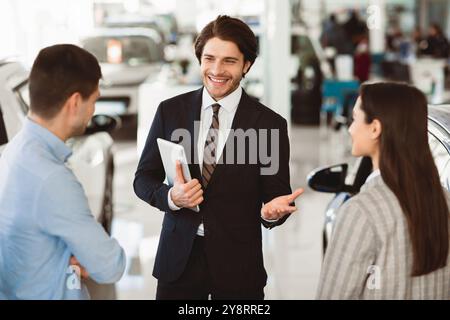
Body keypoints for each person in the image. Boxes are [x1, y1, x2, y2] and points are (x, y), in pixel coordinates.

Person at [134, 15, 303, 300]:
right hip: (178, 263)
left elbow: (276, 196)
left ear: (246, 65)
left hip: (239, 267)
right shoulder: (170, 111)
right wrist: (172, 197)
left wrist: (270, 215)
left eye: (229, 61)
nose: (217, 70)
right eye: (209, 58)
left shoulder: (269, 125)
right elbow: (143, 178)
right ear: (199, 59)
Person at [0, 44, 126, 300]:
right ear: (75, 102)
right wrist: (84, 256)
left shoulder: (14, 152)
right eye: (94, 100)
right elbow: (111, 265)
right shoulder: (52, 179)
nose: (93, 111)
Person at [316, 82, 450, 299]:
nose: (350, 128)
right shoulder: (444, 203)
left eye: (355, 119)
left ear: (375, 128)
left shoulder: (361, 211)